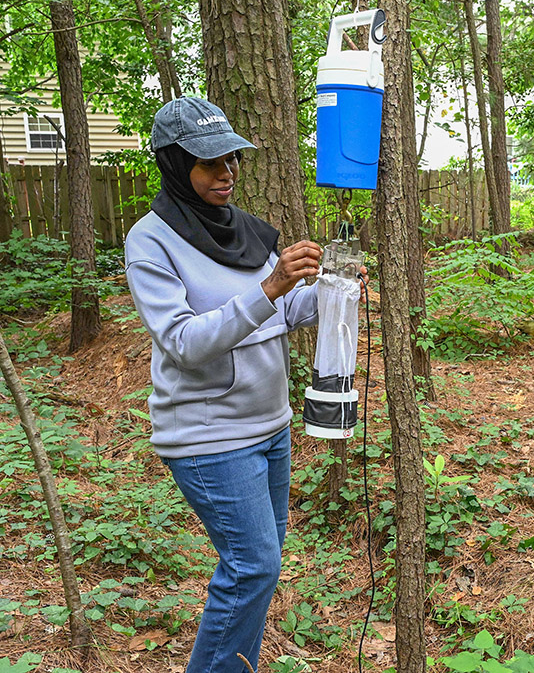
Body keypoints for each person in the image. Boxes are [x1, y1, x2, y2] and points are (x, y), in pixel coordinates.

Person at [125, 96, 363, 673]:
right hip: (209, 436)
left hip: (270, 426)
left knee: (260, 565)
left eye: (231, 160)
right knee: (253, 567)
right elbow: (183, 342)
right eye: (209, 164)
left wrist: (332, 287)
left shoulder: (246, 232)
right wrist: (273, 287)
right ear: (175, 164)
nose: (225, 174)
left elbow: (279, 311)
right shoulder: (151, 241)